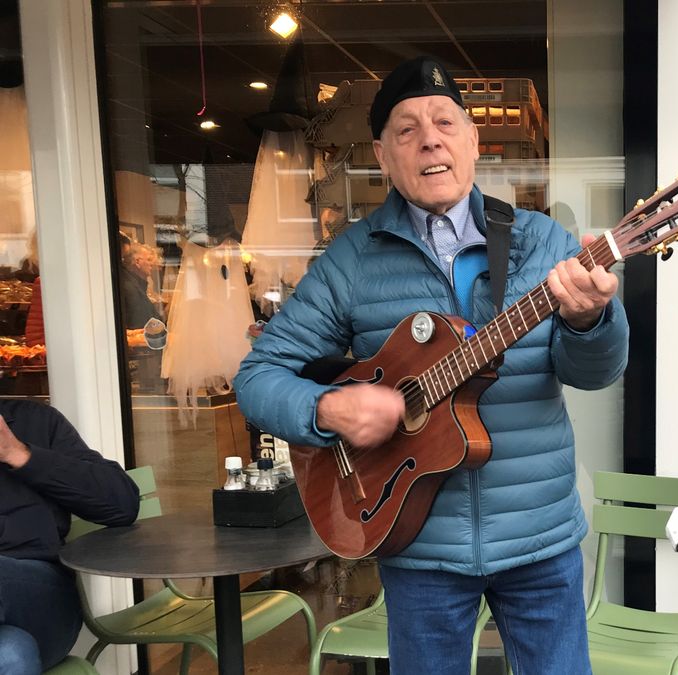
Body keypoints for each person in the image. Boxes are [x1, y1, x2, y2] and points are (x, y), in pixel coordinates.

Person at [234, 55, 628, 674]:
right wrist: (326, 409)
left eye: (445, 122)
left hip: (539, 537)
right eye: (407, 129)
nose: (430, 140)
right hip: (416, 543)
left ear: (473, 141)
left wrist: (589, 321)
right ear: (383, 154)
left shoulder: (542, 242)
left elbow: (595, 372)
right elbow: (257, 377)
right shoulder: (352, 260)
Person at [0, 399, 140, 674]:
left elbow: (122, 505)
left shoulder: (36, 422)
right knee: (12, 652)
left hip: (44, 600)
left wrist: (18, 453)